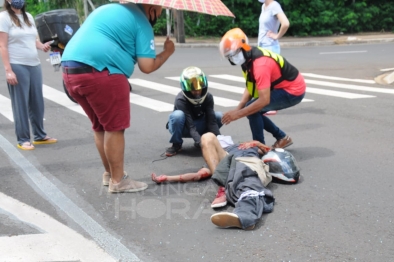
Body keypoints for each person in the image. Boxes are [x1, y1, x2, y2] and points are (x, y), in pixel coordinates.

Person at [61, 2, 175, 193]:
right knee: (114, 128)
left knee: (100, 126)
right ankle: (118, 181)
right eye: (160, 11)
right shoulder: (142, 22)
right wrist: (167, 52)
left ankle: (109, 174)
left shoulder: (110, 8)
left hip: (70, 69)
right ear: (152, 8)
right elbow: (147, 66)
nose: (159, 15)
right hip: (102, 71)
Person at [153, 132, 275, 230]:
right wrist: (168, 178)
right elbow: (197, 175)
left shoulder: (247, 146)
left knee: (247, 182)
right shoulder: (215, 160)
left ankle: (245, 216)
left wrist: (257, 143)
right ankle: (226, 190)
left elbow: (269, 152)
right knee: (207, 136)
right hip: (231, 168)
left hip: (249, 164)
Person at [219, 28, 306, 149]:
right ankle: (281, 138)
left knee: (253, 110)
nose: (232, 59)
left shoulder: (260, 64)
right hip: (281, 86)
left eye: (233, 55)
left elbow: (263, 100)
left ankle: (259, 147)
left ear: (244, 47)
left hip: (293, 90)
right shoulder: (247, 60)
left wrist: (238, 114)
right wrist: (238, 109)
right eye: (229, 57)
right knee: (251, 108)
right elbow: (250, 86)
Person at [0, 0, 57, 150]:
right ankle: (23, 139)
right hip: (17, 65)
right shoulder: (4, 18)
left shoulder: (28, 16)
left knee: (37, 102)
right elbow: (3, 45)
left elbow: (34, 40)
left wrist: (42, 46)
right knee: (21, 104)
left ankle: (40, 135)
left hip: (34, 64)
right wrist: (8, 70)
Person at [165, 66, 222, 156]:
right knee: (177, 116)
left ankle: (204, 139)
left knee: (219, 116)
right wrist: (200, 142)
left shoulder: (208, 97)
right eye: (192, 85)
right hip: (183, 127)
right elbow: (190, 125)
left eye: (199, 84)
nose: (197, 90)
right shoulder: (181, 99)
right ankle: (176, 144)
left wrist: (220, 141)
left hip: (197, 126)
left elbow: (212, 121)